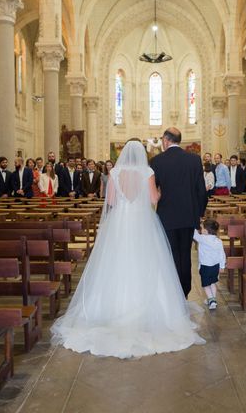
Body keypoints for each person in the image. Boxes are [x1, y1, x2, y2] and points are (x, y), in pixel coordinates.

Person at [51, 140, 205, 358]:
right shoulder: (147, 171)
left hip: (120, 222)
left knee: (116, 263)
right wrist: (158, 193)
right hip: (143, 221)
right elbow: (154, 199)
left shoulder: (115, 172)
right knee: (147, 262)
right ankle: (151, 310)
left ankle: (112, 309)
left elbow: (111, 200)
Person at [150, 127, 208, 298]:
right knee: (185, 253)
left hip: (167, 216)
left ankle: (172, 292)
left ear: (166, 140)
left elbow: (155, 191)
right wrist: (199, 213)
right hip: (188, 215)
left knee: (171, 253)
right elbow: (201, 191)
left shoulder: (157, 161)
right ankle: (184, 291)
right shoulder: (194, 159)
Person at [193, 219, 226, 310]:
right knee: (212, 283)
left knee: (206, 285)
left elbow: (194, 235)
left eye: (202, 228)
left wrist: (193, 224)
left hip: (206, 267)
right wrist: (222, 266)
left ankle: (211, 301)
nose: (200, 229)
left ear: (206, 231)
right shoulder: (219, 241)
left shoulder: (203, 238)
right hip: (216, 267)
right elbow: (222, 254)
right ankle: (212, 299)